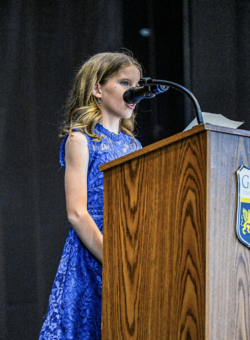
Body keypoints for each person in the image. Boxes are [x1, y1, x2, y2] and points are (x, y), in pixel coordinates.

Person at [38, 52, 143, 340]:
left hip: (128, 249)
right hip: (93, 252)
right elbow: (76, 212)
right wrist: (113, 258)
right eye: (124, 83)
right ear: (97, 88)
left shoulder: (134, 145)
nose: (135, 92)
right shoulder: (80, 138)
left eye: (138, 84)